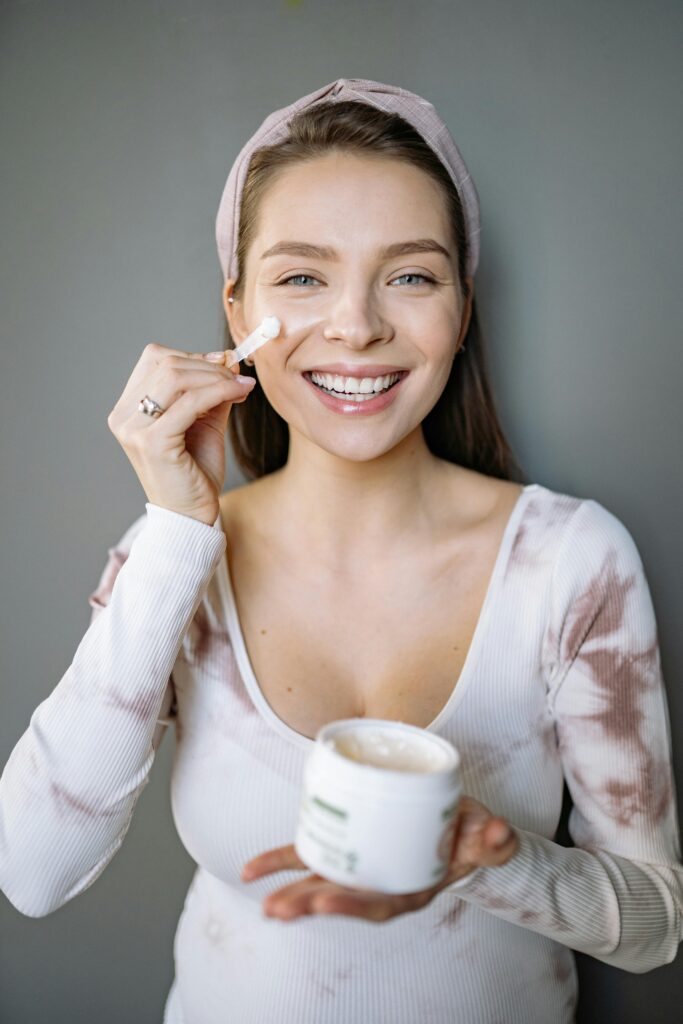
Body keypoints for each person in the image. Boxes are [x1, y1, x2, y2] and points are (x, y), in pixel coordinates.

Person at [1, 77, 681, 1024]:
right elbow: (30, 870)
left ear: (461, 308)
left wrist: (492, 859)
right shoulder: (172, 559)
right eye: (301, 277)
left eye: (409, 275)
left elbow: (653, 928)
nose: (356, 326)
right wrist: (175, 531)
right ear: (240, 316)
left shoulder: (574, 562)